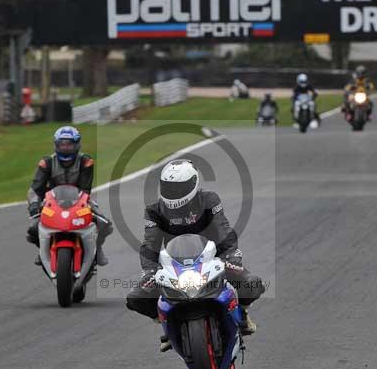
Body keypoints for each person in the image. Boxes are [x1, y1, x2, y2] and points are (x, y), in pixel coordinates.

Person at [125, 159, 264, 351]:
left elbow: (223, 229)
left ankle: (241, 311)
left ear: (193, 184)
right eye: (169, 187)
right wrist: (149, 272)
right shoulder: (154, 211)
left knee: (253, 284)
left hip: (213, 260)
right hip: (174, 266)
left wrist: (232, 256)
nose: (174, 192)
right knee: (136, 298)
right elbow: (150, 245)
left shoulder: (209, 200)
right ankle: (167, 324)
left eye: (179, 187)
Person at [26, 126, 111, 266]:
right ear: (56, 145)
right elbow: (35, 189)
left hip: (80, 199)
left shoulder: (86, 162)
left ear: (77, 144)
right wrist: (34, 204)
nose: (65, 148)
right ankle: (43, 249)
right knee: (33, 229)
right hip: (52, 203)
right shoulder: (46, 163)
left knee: (104, 223)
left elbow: (85, 189)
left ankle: (98, 249)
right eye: (62, 144)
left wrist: (84, 203)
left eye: (69, 144)